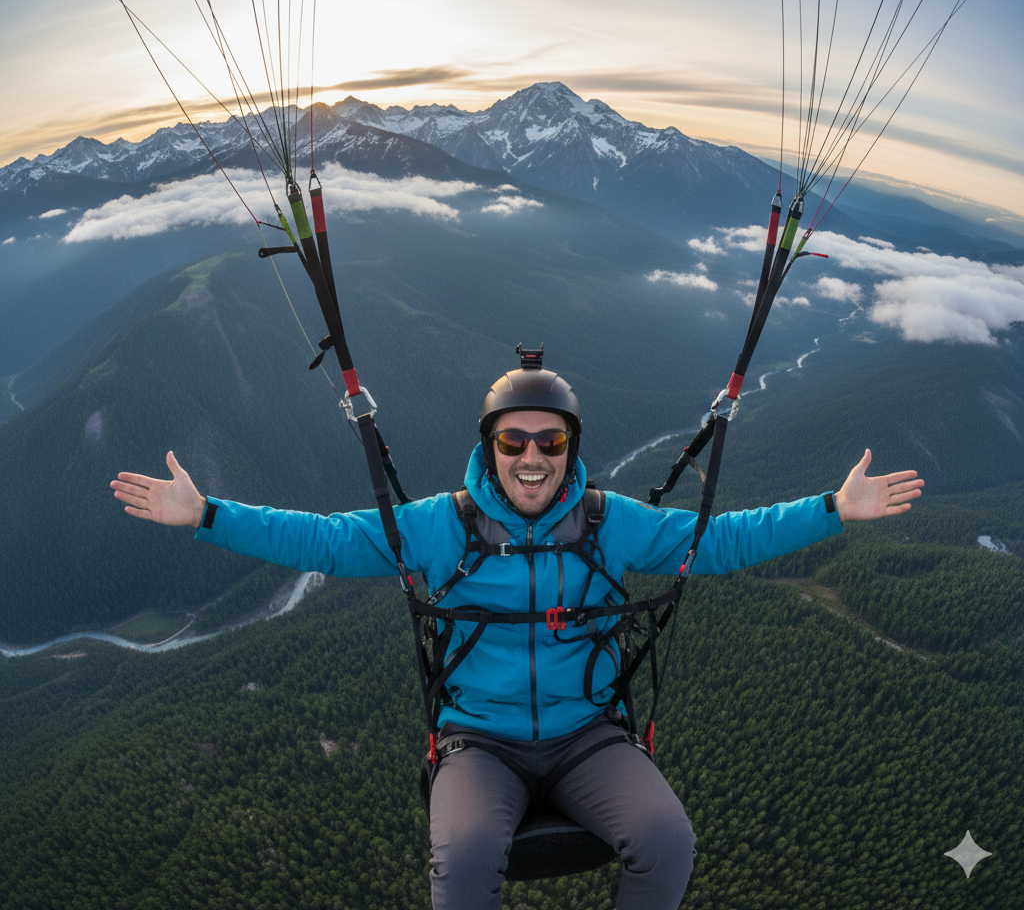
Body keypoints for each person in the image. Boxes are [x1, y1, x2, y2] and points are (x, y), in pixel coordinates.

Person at [110, 355, 923, 910]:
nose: (532, 457)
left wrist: (831, 510)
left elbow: (723, 539)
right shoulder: (439, 527)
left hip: (587, 738)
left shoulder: (612, 524)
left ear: (570, 450)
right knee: (461, 862)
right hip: (480, 745)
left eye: (551, 441)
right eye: (514, 440)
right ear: (489, 446)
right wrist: (207, 515)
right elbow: (322, 539)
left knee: (668, 841)